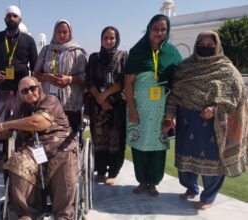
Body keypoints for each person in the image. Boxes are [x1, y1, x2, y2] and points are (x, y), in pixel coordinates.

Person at [163, 31, 248, 210]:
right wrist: (169, 116)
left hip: (212, 124)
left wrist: (216, 109)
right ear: (196, 45)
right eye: (203, 44)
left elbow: (237, 95)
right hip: (187, 121)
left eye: (210, 45)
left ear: (217, 47)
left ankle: (208, 197)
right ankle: (191, 188)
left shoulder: (226, 69)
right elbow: (174, 94)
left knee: (212, 162)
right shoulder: (185, 67)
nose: (206, 47)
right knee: (185, 162)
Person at [0, 76, 79, 220]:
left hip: (59, 145)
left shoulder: (50, 100)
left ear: (39, 87)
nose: (30, 93)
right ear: (21, 95)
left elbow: (38, 122)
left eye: (32, 88)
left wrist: (4, 125)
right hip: (32, 150)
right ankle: (27, 213)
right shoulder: (21, 110)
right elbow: (4, 132)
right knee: (18, 160)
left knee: (65, 159)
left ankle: (64, 215)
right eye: (24, 91)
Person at [124, 14, 182, 196]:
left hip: (162, 111)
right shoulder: (137, 51)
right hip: (139, 110)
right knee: (139, 145)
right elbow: (127, 83)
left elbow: (178, 81)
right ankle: (142, 181)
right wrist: (132, 110)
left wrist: (172, 115)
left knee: (158, 147)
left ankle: (154, 183)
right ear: (149, 29)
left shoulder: (172, 53)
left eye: (163, 29)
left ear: (167, 31)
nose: (159, 33)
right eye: (155, 29)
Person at [85, 26, 127, 185]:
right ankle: (101, 170)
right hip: (98, 106)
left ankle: (113, 172)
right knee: (99, 138)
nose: (108, 41)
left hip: (117, 106)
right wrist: (100, 98)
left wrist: (106, 95)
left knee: (116, 139)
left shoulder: (123, 56)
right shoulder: (94, 57)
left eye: (112, 38)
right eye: (105, 38)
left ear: (117, 40)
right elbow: (89, 80)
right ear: (101, 40)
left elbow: (123, 80)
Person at [34, 19, 87, 131]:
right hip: (48, 103)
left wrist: (70, 79)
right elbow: (36, 74)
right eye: (59, 32)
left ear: (70, 33)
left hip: (71, 104)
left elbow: (85, 76)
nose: (61, 35)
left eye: (65, 32)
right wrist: (47, 77)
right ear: (54, 33)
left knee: (70, 137)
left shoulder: (77, 52)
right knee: (49, 137)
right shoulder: (46, 50)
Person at [0, 5, 38, 94]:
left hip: (22, 88)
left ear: (20, 20)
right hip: (0, 87)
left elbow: (35, 66)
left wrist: (32, 85)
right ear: (5, 19)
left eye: (15, 16)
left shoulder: (29, 40)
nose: (11, 18)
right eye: (9, 16)